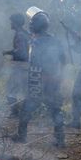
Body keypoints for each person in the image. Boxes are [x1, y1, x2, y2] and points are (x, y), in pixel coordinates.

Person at [15, 10, 66, 147]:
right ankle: (60, 139)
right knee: (55, 109)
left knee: (27, 107)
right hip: (53, 79)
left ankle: (21, 136)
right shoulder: (54, 40)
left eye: (32, 23)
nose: (30, 25)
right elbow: (63, 60)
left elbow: (36, 63)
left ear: (36, 26)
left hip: (39, 80)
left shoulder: (37, 42)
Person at [2, 13, 31, 117]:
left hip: (20, 66)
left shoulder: (20, 35)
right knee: (24, 90)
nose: (10, 23)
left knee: (11, 89)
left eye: (12, 22)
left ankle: (14, 113)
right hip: (26, 66)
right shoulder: (25, 33)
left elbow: (21, 51)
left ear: (16, 23)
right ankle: (26, 112)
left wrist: (7, 52)